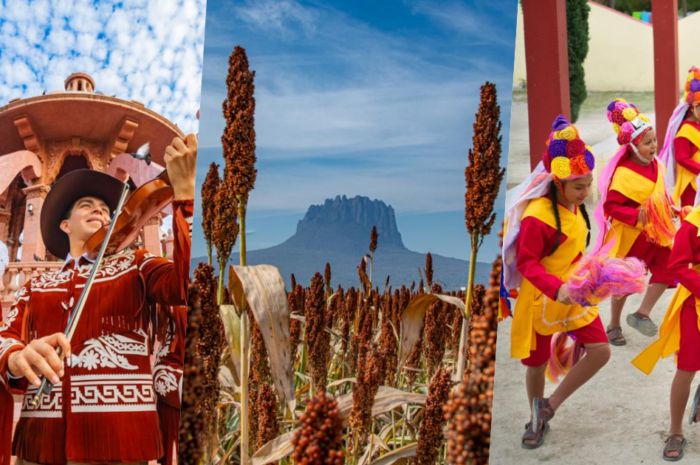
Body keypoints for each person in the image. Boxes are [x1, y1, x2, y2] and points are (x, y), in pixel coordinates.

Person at [0, 134, 196, 465]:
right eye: (87, 206)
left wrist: (187, 198)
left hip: (120, 440)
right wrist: (18, 358)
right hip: (40, 444)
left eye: (107, 209)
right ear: (65, 224)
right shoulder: (36, 284)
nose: (101, 213)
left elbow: (185, 284)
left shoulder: (138, 264)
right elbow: (5, 335)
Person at [502, 115, 611, 450]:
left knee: (601, 351)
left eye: (588, 184)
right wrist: (558, 288)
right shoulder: (538, 217)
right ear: (557, 184)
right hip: (542, 298)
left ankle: (549, 406)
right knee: (535, 365)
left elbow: (573, 249)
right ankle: (534, 420)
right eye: (579, 187)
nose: (586, 192)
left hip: (574, 292)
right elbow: (526, 263)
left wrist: (590, 276)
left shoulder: (573, 205)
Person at [593, 99, 676, 346]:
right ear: (633, 146)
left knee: (667, 268)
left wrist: (671, 209)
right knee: (625, 282)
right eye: (648, 143)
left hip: (658, 232)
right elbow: (610, 207)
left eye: (654, 141)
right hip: (634, 235)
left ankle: (642, 313)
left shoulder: (656, 165)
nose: (654, 146)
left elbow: (660, 194)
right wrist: (637, 217)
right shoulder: (623, 174)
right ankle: (614, 324)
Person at [632, 173, 700, 461]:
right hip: (694, 304)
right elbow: (676, 265)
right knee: (687, 368)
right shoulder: (692, 225)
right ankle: (675, 431)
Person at [661, 67, 700, 209]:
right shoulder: (684, 131)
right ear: (693, 107)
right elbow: (681, 157)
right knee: (691, 215)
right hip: (690, 181)